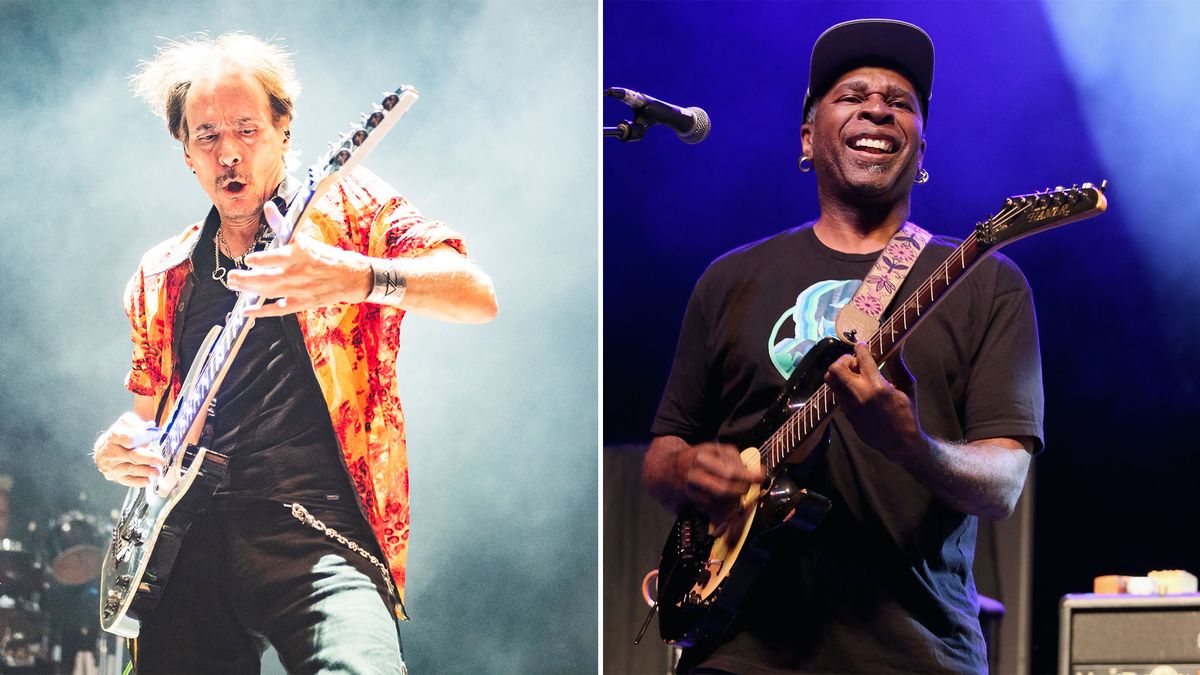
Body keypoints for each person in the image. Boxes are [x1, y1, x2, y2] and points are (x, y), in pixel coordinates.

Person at [642, 19, 1042, 673]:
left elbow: (1002, 484)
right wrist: (691, 470)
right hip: (738, 651)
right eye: (853, 94)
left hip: (915, 654)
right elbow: (663, 452)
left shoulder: (985, 280)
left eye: (901, 101)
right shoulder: (728, 280)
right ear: (807, 138)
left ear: (921, 147)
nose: (878, 108)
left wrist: (911, 444)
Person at [90, 33, 497, 673]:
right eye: (208, 137)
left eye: (247, 129)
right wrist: (121, 448)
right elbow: (144, 421)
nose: (229, 153)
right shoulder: (159, 274)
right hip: (186, 544)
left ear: (284, 128)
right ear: (185, 155)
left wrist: (357, 277)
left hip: (314, 528)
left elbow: (476, 293)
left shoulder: (348, 211)